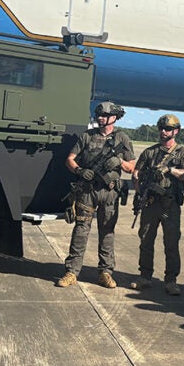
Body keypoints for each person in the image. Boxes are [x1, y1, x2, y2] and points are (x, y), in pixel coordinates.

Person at [58, 101, 136, 289]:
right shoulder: (87, 136)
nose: (99, 117)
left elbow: (132, 166)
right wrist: (79, 171)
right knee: (81, 230)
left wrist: (118, 161)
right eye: (98, 114)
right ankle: (71, 271)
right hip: (88, 191)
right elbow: (70, 159)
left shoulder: (122, 139)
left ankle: (105, 272)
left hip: (110, 192)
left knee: (107, 232)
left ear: (114, 117)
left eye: (103, 115)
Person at [131, 114, 184, 295]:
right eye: (161, 128)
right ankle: (145, 276)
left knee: (171, 243)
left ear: (176, 131)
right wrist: (139, 190)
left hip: (170, 205)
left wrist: (170, 170)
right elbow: (136, 172)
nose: (163, 132)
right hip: (150, 204)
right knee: (145, 240)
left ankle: (171, 280)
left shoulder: (182, 152)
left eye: (167, 129)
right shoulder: (150, 152)